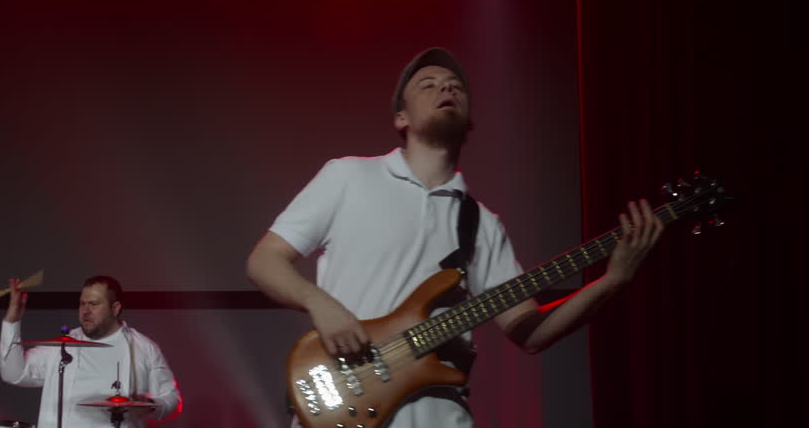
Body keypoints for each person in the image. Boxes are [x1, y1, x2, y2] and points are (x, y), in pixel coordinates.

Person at [246, 47, 663, 427]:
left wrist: (613, 280)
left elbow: (530, 332)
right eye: (427, 84)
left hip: (441, 414)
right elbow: (265, 260)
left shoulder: (482, 223)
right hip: (344, 401)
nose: (445, 87)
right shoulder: (348, 176)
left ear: (470, 122)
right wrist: (322, 306)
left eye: (455, 86)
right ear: (401, 118)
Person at [0, 275, 182, 427]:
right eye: (82, 304)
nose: (85, 311)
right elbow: (13, 373)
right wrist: (12, 321)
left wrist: (151, 405)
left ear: (115, 308)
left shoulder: (144, 348)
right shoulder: (62, 346)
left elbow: (173, 400)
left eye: (94, 304)